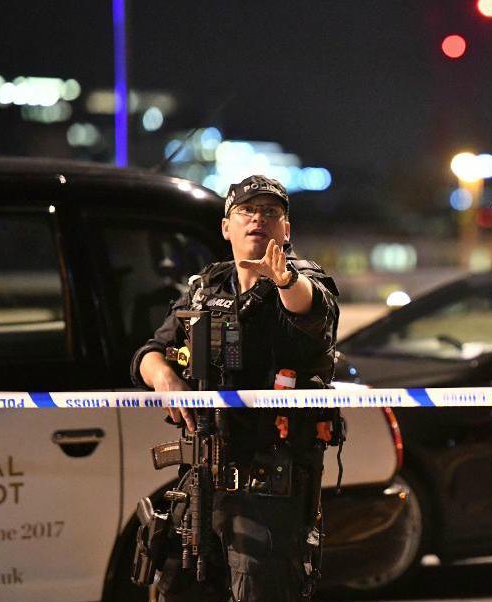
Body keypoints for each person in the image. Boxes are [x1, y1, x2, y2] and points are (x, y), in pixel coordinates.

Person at [131, 174, 340, 602]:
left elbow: (313, 312)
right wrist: (165, 377)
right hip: (201, 481)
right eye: (246, 211)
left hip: (269, 487)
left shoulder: (300, 280)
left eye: (271, 213)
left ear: (286, 229)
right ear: (226, 226)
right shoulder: (206, 287)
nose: (257, 220)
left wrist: (284, 282)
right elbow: (149, 352)